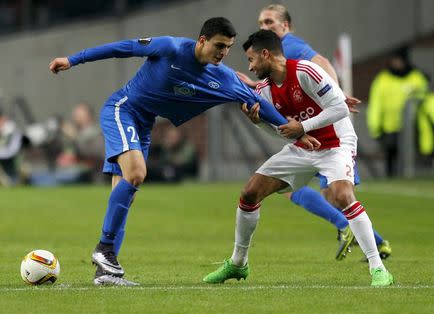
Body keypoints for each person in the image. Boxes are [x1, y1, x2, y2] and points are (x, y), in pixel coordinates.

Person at [49, 17, 320, 286]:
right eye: (219, 45)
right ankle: (104, 248)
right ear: (202, 40)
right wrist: (74, 59)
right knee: (136, 174)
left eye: (228, 47)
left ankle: (105, 272)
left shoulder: (223, 77)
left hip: (144, 124)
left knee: (124, 195)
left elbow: (258, 102)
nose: (223, 52)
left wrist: (293, 129)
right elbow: (123, 47)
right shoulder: (171, 48)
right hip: (122, 108)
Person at [203, 30, 394, 286]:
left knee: (342, 195)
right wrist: (258, 122)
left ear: (266, 54)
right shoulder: (265, 90)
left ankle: (378, 268)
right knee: (249, 193)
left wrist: (302, 128)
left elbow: (339, 108)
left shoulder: (305, 71)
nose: (250, 67)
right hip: (302, 149)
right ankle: (238, 264)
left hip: (336, 144)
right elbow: (282, 132)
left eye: (251, 59)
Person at [237, 3, 391, 260]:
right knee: (325, 194)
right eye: (261, 23)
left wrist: (336, 94)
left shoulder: (289, 45)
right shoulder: (273, 54)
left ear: (285, 26)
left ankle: (365, 239)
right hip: (309, 132)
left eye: (270, 22)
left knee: (335, 195)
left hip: (328, 131)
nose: (264, 27)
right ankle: (373, 240)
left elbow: (321, 62)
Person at [367, 46, 429, 177]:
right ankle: (391, 177)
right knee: (391, 156)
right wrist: (375, 128)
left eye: (398, 60)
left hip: (413, 128)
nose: (396, 63)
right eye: (394, 60)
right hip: (389, 128)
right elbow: (376, 105)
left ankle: (411, 177)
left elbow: (425, 100)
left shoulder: (417, 77)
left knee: (410, 156)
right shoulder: (382, 79)